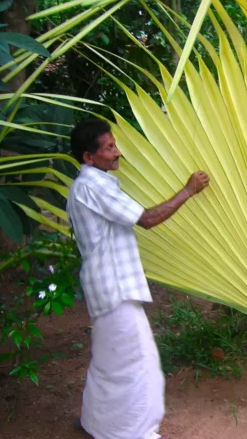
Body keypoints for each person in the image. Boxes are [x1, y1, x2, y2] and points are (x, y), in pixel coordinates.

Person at [67, 118, 210, 439]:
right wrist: (188, 190)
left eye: (114, 145)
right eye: (109, 148)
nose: (117, 153)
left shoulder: (90, 185)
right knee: (139, 365)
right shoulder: (93, 186)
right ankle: (135, 432)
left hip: (106, 286)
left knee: (109, 362)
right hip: (114, 288)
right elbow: (147, 218)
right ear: (89, 158)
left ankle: (95, 422)